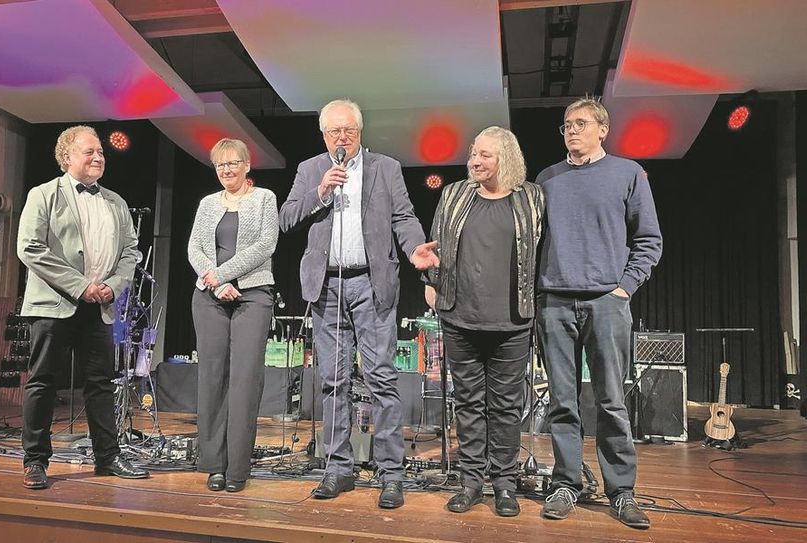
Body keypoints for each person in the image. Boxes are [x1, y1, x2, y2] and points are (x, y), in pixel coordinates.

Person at [279, 99, 438, 509]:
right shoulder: (310, 170)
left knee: (381, 378)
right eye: (334, 131)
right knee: (333, 380)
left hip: (371, 283)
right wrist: (320, 192)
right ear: (324, 135)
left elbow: (403, 217)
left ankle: (391, 473)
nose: (342, 137)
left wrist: (414, 249)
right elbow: (287, 218)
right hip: (326, 286)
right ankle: (337, 468)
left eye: (348, 130)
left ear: (360, 132)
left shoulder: (386, 168)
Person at [535, 97, 662, 529]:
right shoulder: (547, 179)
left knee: (611, 400)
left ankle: (621, 491)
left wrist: (625, 287)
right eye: (566, 125)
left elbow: (649, 239)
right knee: (561, 401)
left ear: (603, 129)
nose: (572, 131)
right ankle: (566, 483)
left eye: (581, 123)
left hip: (606, 302)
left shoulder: (627, 173)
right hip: (554, 302)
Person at [17, 125, 148, 489]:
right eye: (89, 151)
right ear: (67, 156)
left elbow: (130, 252)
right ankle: (35, 460)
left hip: (99, 306)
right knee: (43, 382)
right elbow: (30, 247)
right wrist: (81, 286)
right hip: (54, 305)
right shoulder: (43, 195)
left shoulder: (116, 202)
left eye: (101, 152)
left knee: (100, 384)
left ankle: (107, 457)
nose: (98, 157)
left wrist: (113, 287)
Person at [424, 126, 544, 516]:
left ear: (506, 158)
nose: (475, 161)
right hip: (460, 316)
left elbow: (543, 249)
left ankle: (505, 485)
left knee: (506, 407)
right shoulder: (454, 194)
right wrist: (430, 281)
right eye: (474, 153)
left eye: (485, 155)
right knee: (469, 403)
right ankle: (471, 482)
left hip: (512, 321)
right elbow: (436, 244)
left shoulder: (531, 197)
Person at [188, 138, 279, 493]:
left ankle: (238, 468)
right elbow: (194, 248)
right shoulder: (207, 203)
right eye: (220, 165)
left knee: (244, 380)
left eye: (233, 163)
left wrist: (222, 275)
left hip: (252, 294)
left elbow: (266, 245)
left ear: (247, 165)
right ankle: (214, 465)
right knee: (212, 377)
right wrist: (216, 283)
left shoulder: (264, 198)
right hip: (209, 296)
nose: (227, 170)